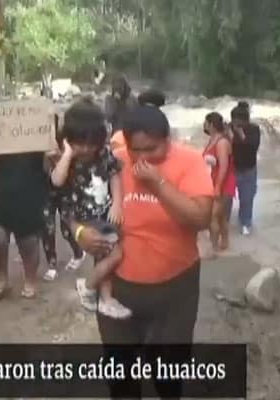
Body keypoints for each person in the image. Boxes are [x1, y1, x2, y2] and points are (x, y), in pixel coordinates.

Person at [74, 105, 213, 398]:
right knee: (121, 374)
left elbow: (200, 219)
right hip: (118, 290)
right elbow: (74, 204)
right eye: (135, 150)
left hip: (174, 292)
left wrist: (158, 183)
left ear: (167, 140)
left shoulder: (190, 162)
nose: (142, 158)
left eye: (151, 149)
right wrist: (79, 233)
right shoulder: (112, 162)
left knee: (168, 373)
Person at [51, 99, 129, 318]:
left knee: (105, 255)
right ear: (68, 139)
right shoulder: (64, 158)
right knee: (114, 254)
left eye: (91, 144)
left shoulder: (103, 154)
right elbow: (57, 180)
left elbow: (115, 176)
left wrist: (117, 204)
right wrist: (68, 153)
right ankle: (88, 287)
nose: (86, 149)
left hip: (104, 214)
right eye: (79, 143)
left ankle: (105, 299)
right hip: (82, 218)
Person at [0, 142, 49, 300]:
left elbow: (50, 171)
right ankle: (2, 279)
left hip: (30, 196)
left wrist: (50, 155)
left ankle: (30, 280)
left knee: (29, 242)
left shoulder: (39, 137)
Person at [41, 114, 86, 281]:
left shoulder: (67, 140)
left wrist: (57, 157)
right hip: (45, 190)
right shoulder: (33, 144)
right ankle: (52, 263)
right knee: (47, 227)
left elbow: (74, 169)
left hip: (65, 189)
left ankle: (78, 253)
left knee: (67, 228)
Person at [203, 112, 236, 253]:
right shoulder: (213, 139)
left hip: (223, 182)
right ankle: (225, 242)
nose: (203, 125)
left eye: (205, 123)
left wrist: (217, 187)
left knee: (212, 217)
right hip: (214, 181)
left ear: (211, 124)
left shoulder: (221, 142)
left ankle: (214, 248)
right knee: (221, 216)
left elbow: (224, 167)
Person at [230, 101, 260, 235]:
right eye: (234, 121)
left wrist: (241, 134)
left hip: (248, 169)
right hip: (232, 168)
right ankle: (224, 222)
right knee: (226, 198)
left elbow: (253, 147)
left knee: (247, 198)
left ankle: (245, 223)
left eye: (239, 122)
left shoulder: (254, 129)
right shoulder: (229, 128)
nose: (236, 125)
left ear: (246, 121)